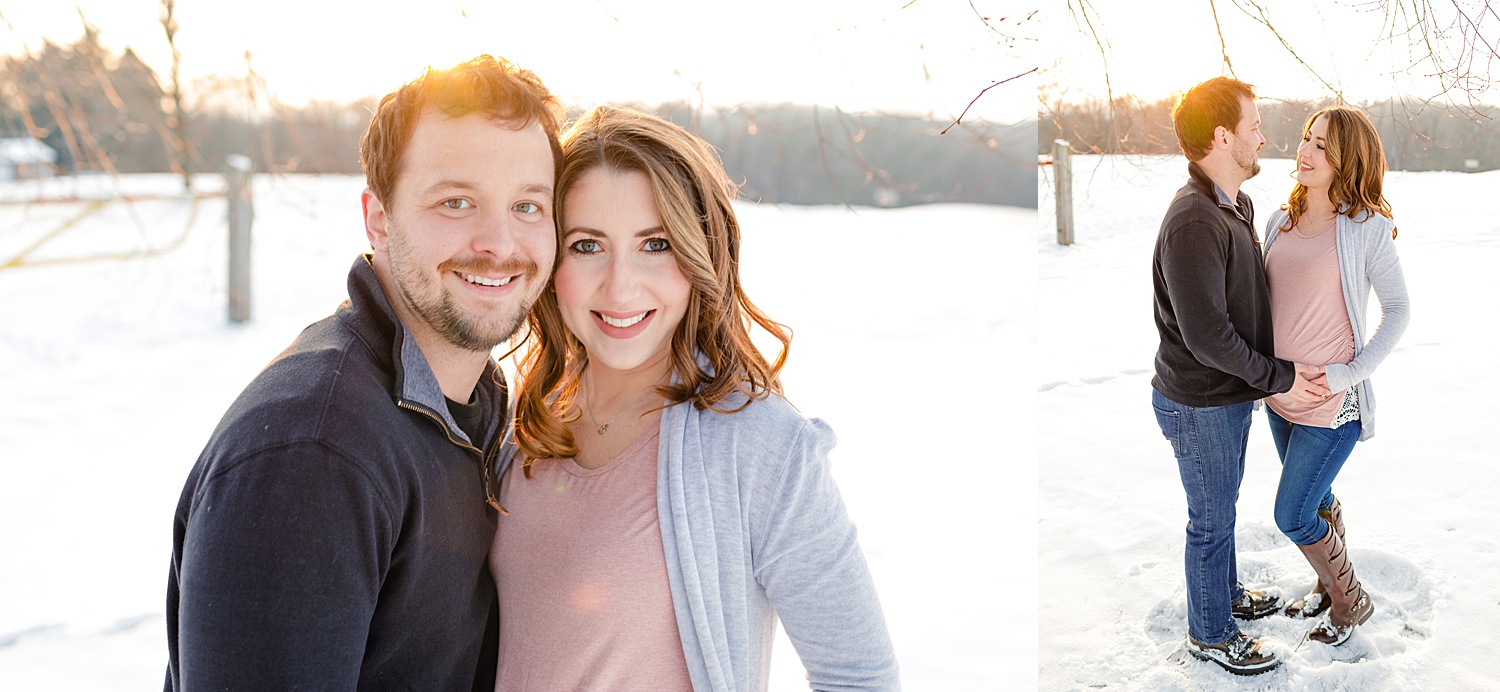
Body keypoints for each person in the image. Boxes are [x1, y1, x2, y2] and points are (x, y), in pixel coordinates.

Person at [165, 55, 563, 689]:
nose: (499, 243)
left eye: (527, 206)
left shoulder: (471, 403)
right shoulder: (314, 454)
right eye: (456, 202)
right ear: (378, 217)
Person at [489, 105, 899, 691]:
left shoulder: (758, 445)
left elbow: (861, 677)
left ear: (698, 251)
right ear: (551, 257)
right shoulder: (519, 427)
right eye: (586, 245)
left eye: (655, 244)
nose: (621, 285)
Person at [1149, 76, 1331, 676]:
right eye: (1254, 126)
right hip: (1199, 403)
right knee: (1211, 520)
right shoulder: (1193, 221)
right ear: (1224, 136)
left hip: (1225, 397)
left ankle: (1223, 600)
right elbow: (1207, 337)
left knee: (1219, 509)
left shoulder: (1234, 206)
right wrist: (1278, 377)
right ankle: (1210, 633)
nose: (1262, 136)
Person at [1262, 106, 1409, 646]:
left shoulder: (1366, 227)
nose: (1305, 151)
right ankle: (1328, 586)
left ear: (1348, 156)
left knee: (1293, 514)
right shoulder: (1280, 220)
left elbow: (1398, 312)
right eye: (1306, 139)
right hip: (1281, 395)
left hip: (1331, 403)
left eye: (1322, 145)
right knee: (1316, 499)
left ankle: (1350, 599)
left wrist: (1351, 373)